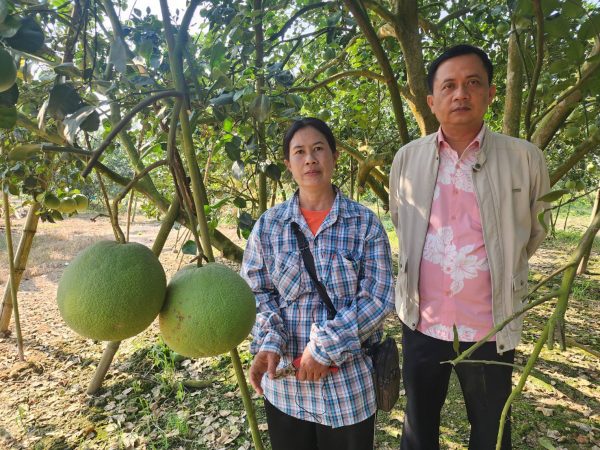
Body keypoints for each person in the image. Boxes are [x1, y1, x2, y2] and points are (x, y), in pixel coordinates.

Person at [389, 44, 551, 449]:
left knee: (492, 426)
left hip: (490, 325)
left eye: (472, 83)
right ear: (432, 100)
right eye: (449, 86)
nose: (461, 94)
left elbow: (534, 232)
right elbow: (401, 221)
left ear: (490, 93)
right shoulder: (407, 160)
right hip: (423, 321)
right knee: (420, 424)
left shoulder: (525, 159)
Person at [241, 117, 395, 450]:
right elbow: (257, 291)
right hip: (286, 387)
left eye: (318, 149)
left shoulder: (364, 223)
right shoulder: (269, 227)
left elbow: (378, 298)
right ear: (288, 164)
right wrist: (269, 340)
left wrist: (325, 349)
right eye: (299, 152)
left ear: (334, 156)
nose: (310, 159)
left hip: (347, 389)